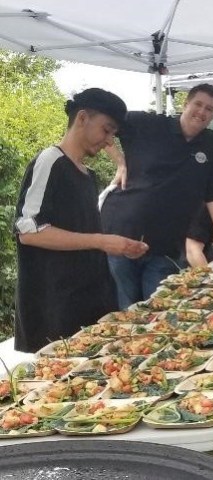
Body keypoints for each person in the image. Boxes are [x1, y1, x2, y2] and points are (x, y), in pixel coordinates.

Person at [13, 88, 148, 353]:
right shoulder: (50, 161)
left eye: (113, 134)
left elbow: (83, 235)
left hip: (87, 302)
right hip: (54, 309)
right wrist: (101, 240)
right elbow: (29, 231)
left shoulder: (88, 175)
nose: (109, 141)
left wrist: (115, 245)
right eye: (106, 130)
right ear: (83, 118)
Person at [100, 83, 213, 309]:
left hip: (166, 245)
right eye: (198, 104)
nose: (202, 112)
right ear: (185, 104)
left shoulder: (212, 145)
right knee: (126, 313)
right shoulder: (148, 124)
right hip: (122, 233)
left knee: (160, 311)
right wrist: (119, 160)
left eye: (209, 109)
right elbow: (104, 121)